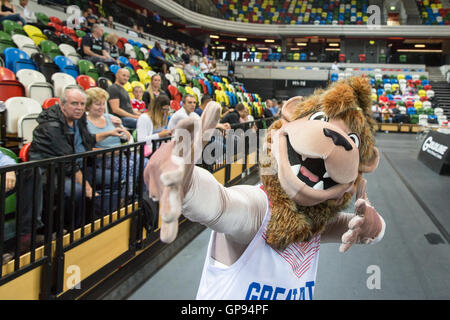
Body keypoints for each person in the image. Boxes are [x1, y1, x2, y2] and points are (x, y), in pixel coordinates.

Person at [29, 88, 122, 228]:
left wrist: (109, 133)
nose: (79, 108)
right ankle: (73, 229)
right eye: (74, 103)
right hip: (51, 171)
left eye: (82, 104)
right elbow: (67, 160)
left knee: (114, 178)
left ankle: (99, 221)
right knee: (76, 191)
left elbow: (87, 140)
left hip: (76, 167)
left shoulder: (79, 119)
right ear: (62, 105)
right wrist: (87, 186)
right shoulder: (50, 126)